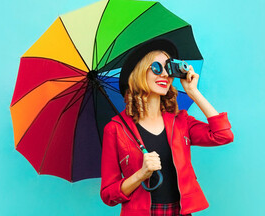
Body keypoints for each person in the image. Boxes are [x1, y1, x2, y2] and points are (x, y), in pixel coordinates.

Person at [100, 39, 234, 216]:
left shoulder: (181, 121)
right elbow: (109, 195)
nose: (164, 74)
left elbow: (223, 135)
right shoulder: (116, 129)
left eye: (168, 68)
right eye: (156, 68)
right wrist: (141, 174)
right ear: (140, 73)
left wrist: (194, 92)